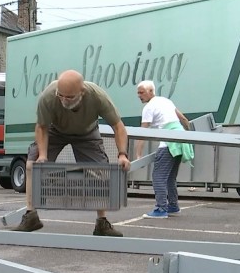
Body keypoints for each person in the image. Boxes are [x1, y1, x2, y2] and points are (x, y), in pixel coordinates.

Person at [12, 70, 131, 236]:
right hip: (56, 131)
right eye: (61, 96)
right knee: (33, 163)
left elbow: (118, 126)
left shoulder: (97, 96)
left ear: (81, 92)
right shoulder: (48, 96)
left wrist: (122, 154)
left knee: (102, 172)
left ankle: (102, 223)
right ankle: (31, 216)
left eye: (69, 97)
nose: (64, 100)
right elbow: (41, 127)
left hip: (87, 133)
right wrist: (43, 155)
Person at [134, 80, 194, 218]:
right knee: (170, 178)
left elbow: (142, 133)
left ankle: (161, 209)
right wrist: (189, 137)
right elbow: (184, 119)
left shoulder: (149, 108)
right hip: (180, 141)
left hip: (168, 144)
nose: (139, 95)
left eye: (141, 92)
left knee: (158, 177)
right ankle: (173, 206)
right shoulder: (166, 101)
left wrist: (138, 155)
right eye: (138, 92)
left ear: (151, 91)